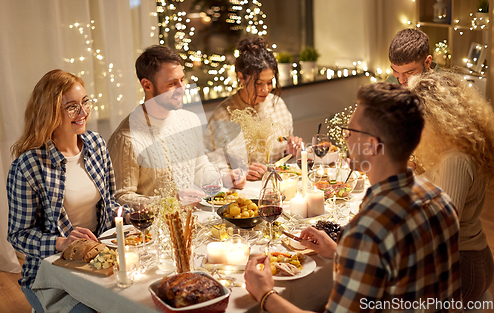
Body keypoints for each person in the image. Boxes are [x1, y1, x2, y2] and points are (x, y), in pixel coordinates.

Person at [245, 83, 461, 312]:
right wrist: (338, 252)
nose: (345, 140)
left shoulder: (366, 231)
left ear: (371, 145)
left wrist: (265, 294)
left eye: (349, 133)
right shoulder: (441, 200)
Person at [7, 69, 126, 313]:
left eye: (85, 102)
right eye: (71, 107)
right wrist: (62, 243)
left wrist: (137, 214)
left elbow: (111, 203)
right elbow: (18, 235)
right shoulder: (28, 166)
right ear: (49, 112)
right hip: (51, 274)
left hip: (98, 259)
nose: (83, 113)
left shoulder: (96, 144)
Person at [108, 45, 244, 207]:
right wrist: (170, 202)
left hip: (190, 220)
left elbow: (199, 167)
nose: (182, 88)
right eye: (172, 84)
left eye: (182, 80)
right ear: (147, 85)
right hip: (154, 229)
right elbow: (120, 198)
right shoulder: (126, 139)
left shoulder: (189, 120)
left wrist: (222, 178)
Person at [408, 71, 494, 304]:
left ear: (436, 117)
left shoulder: (456, 159)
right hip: (468, 258)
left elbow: (442, 230)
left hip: (463, 267)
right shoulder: (454, 149)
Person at [204, 37, 302, 181]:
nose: (265, 89)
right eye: (258, 83)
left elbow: (284, 151)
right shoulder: (224, 115)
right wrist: (240, 172)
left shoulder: (277, 105)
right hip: (244, 192)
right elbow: (209, 164)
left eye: (269, 83)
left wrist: (292, 147)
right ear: (241, 77)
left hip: (279, 184)